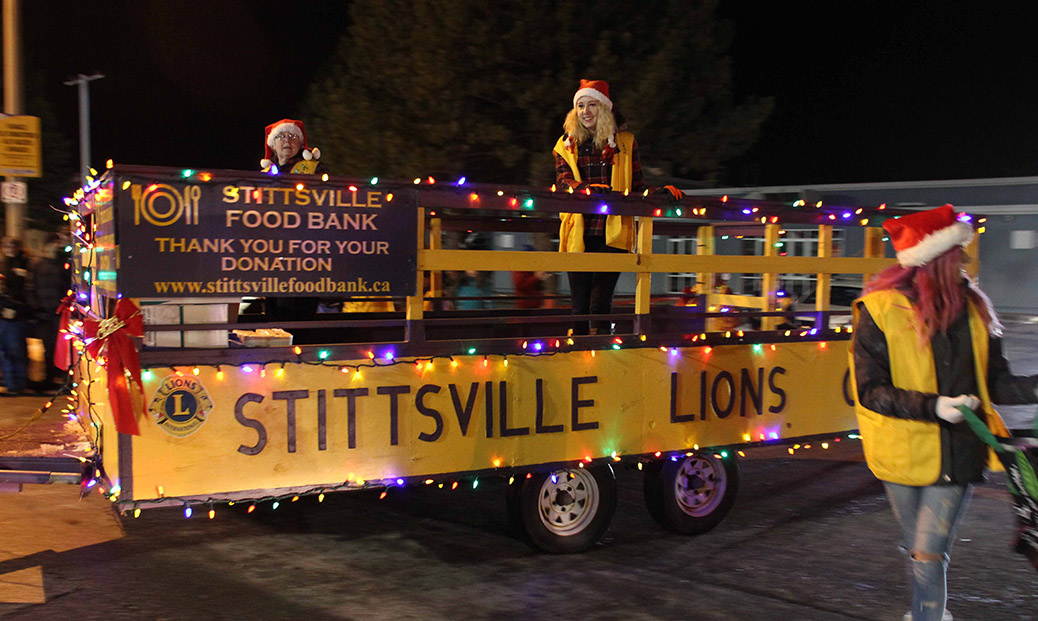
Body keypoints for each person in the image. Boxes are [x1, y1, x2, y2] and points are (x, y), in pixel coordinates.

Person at [850, 204, 1038, 621]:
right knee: (916, 548)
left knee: (929, 552)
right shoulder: (878, 311)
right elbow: (869, 391)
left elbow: (997, 384)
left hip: (960, 451)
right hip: (901, 452)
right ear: (934, 259)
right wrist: (935, 406)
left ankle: (927, 616)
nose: (966, 262)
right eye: (959, 254)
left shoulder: (975, 310)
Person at [554, 79, 682, 335]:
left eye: (592, 104)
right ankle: (577, 354)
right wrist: (584, 190)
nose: (585, 111)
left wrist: (659, 193)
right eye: (580, 106)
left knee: (600, 302)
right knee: (579, 305)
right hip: (578, 231)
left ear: (604, 109)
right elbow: (562, 181)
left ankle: (600, 354)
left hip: (612, 232)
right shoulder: (565, 145)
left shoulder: (625, 142)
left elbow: (637, 185)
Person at [29, 233, 71, 393]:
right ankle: (50, 378)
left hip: (58, 312)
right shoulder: (38, 264)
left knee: (60, 347)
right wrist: (37, 307)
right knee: (49, 347)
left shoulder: (60, 264)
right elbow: (31, 287)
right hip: (45, 312)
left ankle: (60, 379)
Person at [0, 237, 34, 396]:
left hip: (17, 315)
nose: (8, 248)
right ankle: (11, 385)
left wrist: (17, 308)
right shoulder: (4, 264)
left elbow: (25, 291)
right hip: (4, 314)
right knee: (6, 352)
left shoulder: (23, 263)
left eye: (11, 246)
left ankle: (19, 384)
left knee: (16, 351)